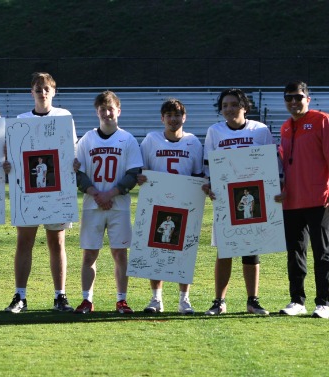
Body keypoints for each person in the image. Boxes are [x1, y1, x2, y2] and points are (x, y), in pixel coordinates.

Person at [3, 72, 76, 314]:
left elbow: (71, 150)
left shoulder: (64, 117)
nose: (42, 92)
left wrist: (75, 162)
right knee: (24, 241)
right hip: (28, 187)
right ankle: (20, 296)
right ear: (31, 92)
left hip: (56, 187)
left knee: (57, 241)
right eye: (38, 89)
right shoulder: (21, 120)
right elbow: (13, 154)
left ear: (54, 92)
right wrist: (9, 163)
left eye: (46, 88)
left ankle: (60, 296)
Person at [202, 88, 274, 316]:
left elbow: (271, 162)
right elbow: (208, 166)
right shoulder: (215, 131)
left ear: (244, 107)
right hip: (225, 197)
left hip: (253, 195)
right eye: (224, 105)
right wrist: (209, 184)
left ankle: (253, 300)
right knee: (225, 250)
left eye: (234, 104)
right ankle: (219, 301)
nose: (229, 109)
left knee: (251, 249)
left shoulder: (260, 130)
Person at [74, 91, 142, 314]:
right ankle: (87, 299)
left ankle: (122, 300)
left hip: (118, 205)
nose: (107, 113)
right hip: (93, 205)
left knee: (120, 253)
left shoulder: (127, 139)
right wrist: (96, 193)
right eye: (102, 109)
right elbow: (78, 173)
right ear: (97, 112)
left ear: (118, 111)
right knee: (89, 254)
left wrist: (110, 194)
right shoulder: (87, 139)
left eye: (110, 108)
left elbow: (133, 174)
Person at [138, 98, 204, 315]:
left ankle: (184, 300)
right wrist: (140, 178)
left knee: (184, 251)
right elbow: (142, 171)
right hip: (157, 203)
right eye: (169, 115)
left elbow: (197, 175)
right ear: (162, 118)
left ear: (184, 117)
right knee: (155, 250)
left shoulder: (193, 142)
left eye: (177, 115)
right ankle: (156, 298)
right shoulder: (151, 140)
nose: (173, 119)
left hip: (184, 204)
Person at [278, 81, 329, 318]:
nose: (293, 102)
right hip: (291, 200)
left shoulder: (322, 120)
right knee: (295, 252)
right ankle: (297, 300)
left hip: (319, 198)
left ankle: (324, 302)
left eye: (298, 97)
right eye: (289, 98)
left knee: (322, 252)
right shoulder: (285, 127)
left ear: (307, 98)